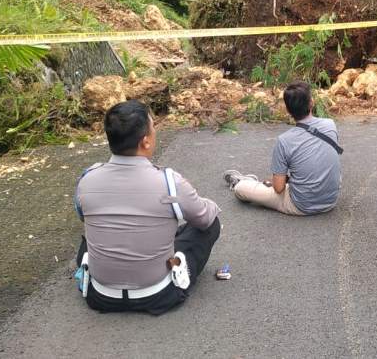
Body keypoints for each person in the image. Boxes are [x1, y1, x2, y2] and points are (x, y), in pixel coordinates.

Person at [74, 100, 221, 314]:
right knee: (209, 225)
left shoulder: (86, 180)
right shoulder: (170, 183)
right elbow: (205, 218)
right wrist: (209, 204)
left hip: (101, 296)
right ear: (145, 142)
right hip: (158, 295)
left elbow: (83, 217)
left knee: (91, 235)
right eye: (153, 128)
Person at [224, 81, 342, 216]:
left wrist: (281, 181)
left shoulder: (284, 141)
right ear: (311, 102)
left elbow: (279, 189)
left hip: (301, 205)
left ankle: (245, 182)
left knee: (241, 189)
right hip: (330, 201)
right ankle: (259, 183)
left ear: (288, 110)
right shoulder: (330, 125)